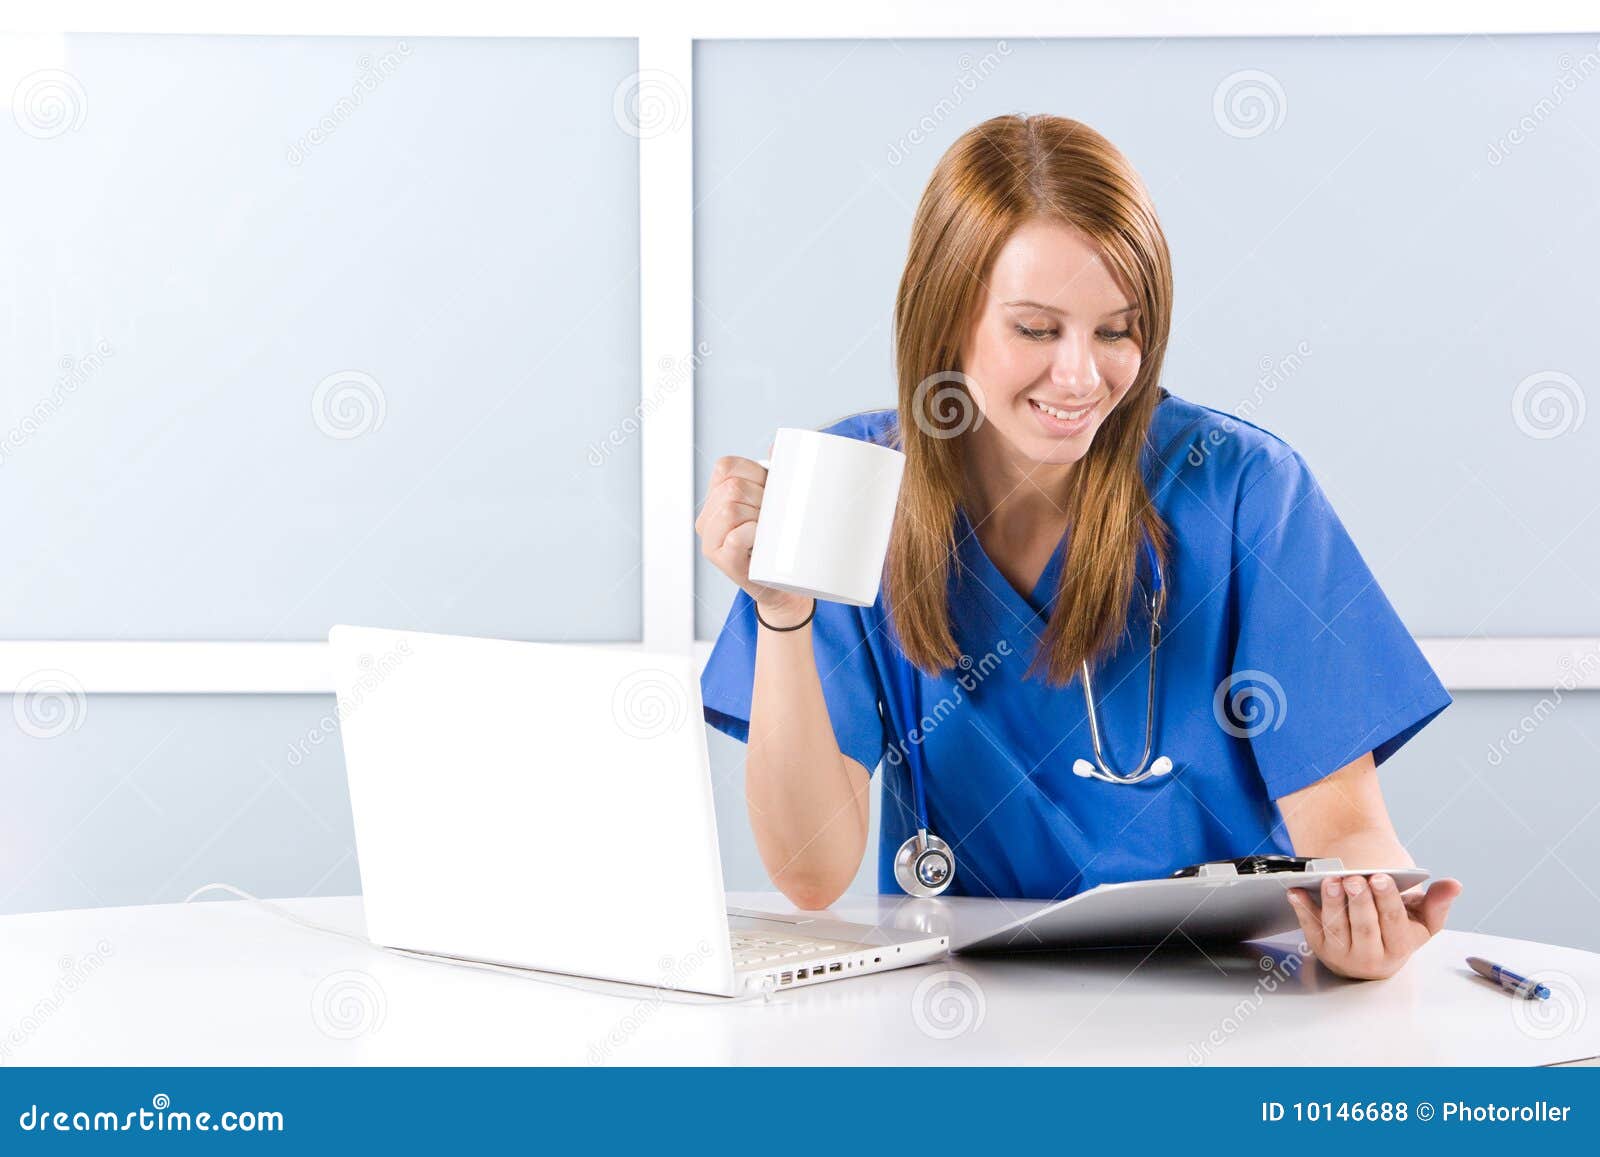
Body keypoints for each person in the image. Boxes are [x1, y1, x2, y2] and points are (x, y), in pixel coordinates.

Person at [694, 113, 1460, 981]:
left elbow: (1348, 829)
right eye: (1036, 328)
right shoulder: (855, 488)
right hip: (954, 1010)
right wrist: (783, 611)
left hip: (1212, 1004)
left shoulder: (1243, 487)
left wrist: (1366, 917)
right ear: (946, 317)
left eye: (1116, 331)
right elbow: (810, 872)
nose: (1081, 376)